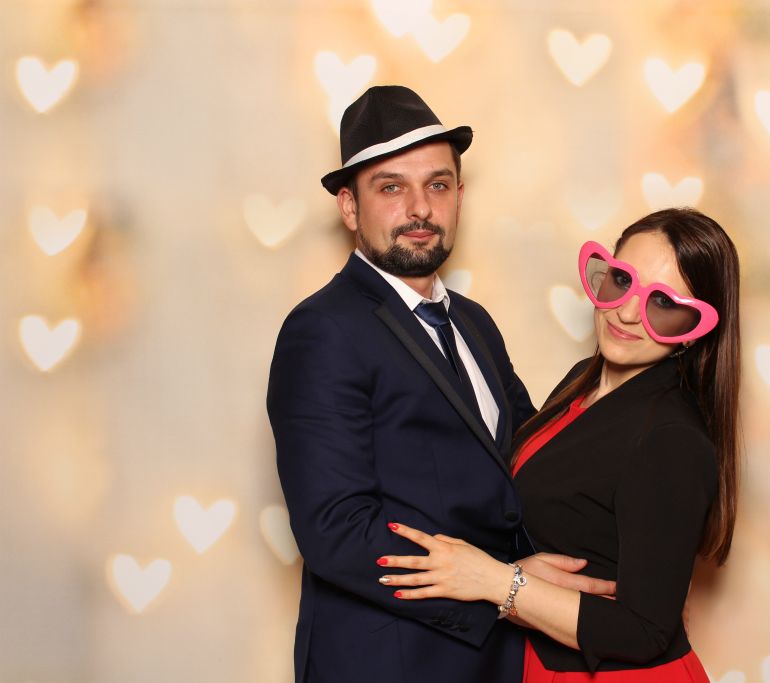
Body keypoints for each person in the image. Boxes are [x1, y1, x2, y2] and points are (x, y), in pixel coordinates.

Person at [266, 85, 614, 683]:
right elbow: (337, 530)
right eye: (391, 188)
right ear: (349, 207)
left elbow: (527, 464)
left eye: (438, 185)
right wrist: (505, 592)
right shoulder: (322, 330)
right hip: (388, 664)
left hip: (499, 658)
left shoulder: (474, 323)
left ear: (459, 195)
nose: (420, 209)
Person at [378, 207, 741, 681]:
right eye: (621, 281)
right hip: (543, 660)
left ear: (694, 330)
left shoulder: (670, 438)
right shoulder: (583, 382)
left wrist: (494, 580)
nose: (627, 312)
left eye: (663, 304)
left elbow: (644, 631)